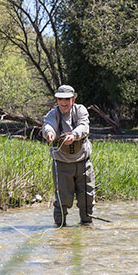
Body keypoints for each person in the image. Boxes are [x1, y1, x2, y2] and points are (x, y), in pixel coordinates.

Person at [42, 85, 95, 226]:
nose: (63, 102)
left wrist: (74, 135)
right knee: (62, 200)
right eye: (60, 99)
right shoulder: (52, 114)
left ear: (73, 98)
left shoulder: (80, 110)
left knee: (87, 199)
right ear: (56, 100)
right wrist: (49, 133)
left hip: (83, 163)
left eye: (67, 99)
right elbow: (48, 125)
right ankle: (61, 231)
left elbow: (84, 126)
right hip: (61, 164)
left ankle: (87, 227)